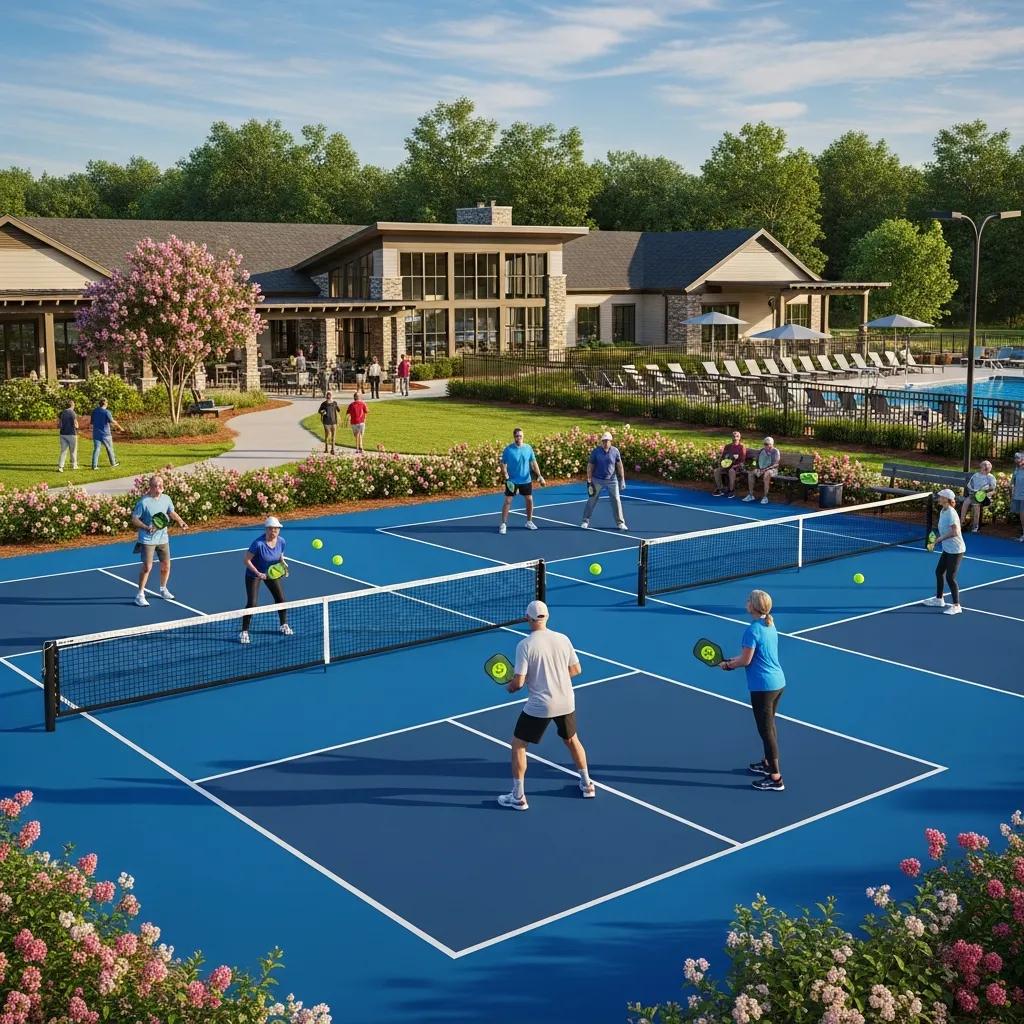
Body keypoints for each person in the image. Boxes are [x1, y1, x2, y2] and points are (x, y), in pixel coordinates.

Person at [498, 600, 594, 810]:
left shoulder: (524, 645)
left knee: (519, 745)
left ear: (527, 618)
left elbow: (519, 682)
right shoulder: (563, 639)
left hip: (541, 705)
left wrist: (510, 687)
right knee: (571, 739)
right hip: (566, 700)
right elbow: (576, 669)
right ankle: (587, 784)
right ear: (547, 617)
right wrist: (554, 678)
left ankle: (518, 797)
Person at [720, 589, 786, 792]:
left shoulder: (752, 631)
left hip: (763, 687)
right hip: (778, 683)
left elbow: (746, 660)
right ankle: (767, 764)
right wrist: (732, 660)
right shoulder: (769, 625)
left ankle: (776, 778)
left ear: (754, 606)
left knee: (766, 731)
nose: (746, 601)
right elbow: (754, 657)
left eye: (749, 599)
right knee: (770, 726)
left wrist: (729, 666)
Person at [130, 474, 188, 607]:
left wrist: (180, 521)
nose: (159, 488)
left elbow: (171, 512)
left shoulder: (166, 499)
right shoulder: (143, 502)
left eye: (161, 485)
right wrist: (145, 527)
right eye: (156, 485)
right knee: (147, 567)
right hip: (147, 539)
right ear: (150, 487)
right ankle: (140, 595)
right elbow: (134, 519)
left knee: (166, 565)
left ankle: (163, 589)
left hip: (163, 538)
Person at [240, 516, 293, 644]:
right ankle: (244, 631)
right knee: (252, 603)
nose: (273, 531)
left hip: (270, 574)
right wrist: (257, 572)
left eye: (276, 529)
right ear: (266, 529)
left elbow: (280, 556)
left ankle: (283, 625)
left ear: (279, 530)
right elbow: (246, 560)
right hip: (254, 574)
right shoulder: (258, 544)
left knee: (281, 600)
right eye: (271, 529)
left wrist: (283, 565)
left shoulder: (282, 541)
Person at [922, 489, 966, 615]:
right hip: (948, 548)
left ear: (946, 499)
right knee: (939, 572)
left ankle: (957, 606)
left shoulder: (951, 513)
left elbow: (955, 532)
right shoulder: (943, 510)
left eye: (940, 496)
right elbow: (944, 528)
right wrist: (935, 539)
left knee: (950, 577)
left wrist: (939, 540)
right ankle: (939, 599)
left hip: (956, 550)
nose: (938, 498)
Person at [499, 427, 545, 534]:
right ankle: (503, 524)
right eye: (517, 436)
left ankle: (529, 522)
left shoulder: (528, 448)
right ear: (514, 437)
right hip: (512, 481)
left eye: (520, 436)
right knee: (508, 501)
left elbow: (533, 463)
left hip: (526, 480)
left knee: (529, 500)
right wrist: (506, 476)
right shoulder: (508, 450)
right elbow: (503, 464)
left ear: (523, 436)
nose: (518, 438)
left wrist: (539, 476)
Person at [581, 431, 627, 530]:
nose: (605, 443)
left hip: (612, 480)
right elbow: (590, 466)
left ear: (611, 442)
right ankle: (585, 521)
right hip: (597, 480)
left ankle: (620, 523)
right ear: (601, 442)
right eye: (604, 441)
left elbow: (619, 466)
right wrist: (589, 480)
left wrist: (622, 479)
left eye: (607, 441)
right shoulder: (596, 451)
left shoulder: (615, 451)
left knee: (616, 501)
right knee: (592, 500)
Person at [961, 459, 996, 534]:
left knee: (976, 506)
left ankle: (975, 527)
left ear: (989, 470)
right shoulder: (976, 475)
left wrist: (984, 490)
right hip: (973, 494)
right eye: (982, 468)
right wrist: (972, 490)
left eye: (986, 469)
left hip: (983, 496)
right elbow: (970, 484)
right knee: (966, 502)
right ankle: (962, 522)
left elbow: (993, 488)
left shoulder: (990, 477)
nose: (983, 470)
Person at [743, 436, 781, 505]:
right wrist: (757, 468)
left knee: (767, 474)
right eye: (765, 444)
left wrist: (765, 469)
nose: (765, 445)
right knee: (751, 473)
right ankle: (751, 495)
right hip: (762, 469)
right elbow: (757, 461)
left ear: (771, 444)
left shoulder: (775, 451)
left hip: (773, 470)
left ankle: (765, 497)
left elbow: (775, 464)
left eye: (767, 444)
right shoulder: (762, 450)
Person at [712, 430, 748, 498]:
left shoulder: (742, 447)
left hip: (738, 466)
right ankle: (720, 489)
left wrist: (735, 465)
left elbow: (742, 460)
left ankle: (731, 490)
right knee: (716, 471)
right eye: (734, 436)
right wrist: (721, 463)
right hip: (726, 465)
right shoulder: (727, 446)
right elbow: (723, 457)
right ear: (731, 437)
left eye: (737, 436)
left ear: (739, 438)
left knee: (731, 471)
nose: (735, 438)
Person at [89, 398, 122, 470]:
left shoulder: (94, 411)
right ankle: (113, 463)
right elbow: (112, 421)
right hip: (105, 434)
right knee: (109, 448)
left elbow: (91, 423)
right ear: (105, 404)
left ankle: (94, 466)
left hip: (96, 433)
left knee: (96, 449)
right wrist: (120, 427)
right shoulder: (107, 412)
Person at [56, 399, 80, 472]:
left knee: (63, 451)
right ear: (72, 405)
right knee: (73, 451)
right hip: (72, 434)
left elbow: (59, 425)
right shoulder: (73, 413)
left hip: (63, 434)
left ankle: (60, 467)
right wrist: (77, 427)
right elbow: (76, 425)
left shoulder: (62, 413)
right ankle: (74, 465)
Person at [1012, 452, 1024, 542]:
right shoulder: (1016, 469)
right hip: (1017, 496)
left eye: (1019, 458)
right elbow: (1013, 482)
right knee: (1021, 515)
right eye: (1016, 458)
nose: (1017, 460)